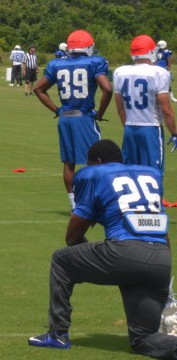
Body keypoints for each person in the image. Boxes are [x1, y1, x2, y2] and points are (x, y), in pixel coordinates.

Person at [28, 139, 177, 357]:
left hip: (125, 252)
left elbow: (72, 237)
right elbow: (159, 228)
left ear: (97, 162)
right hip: (162, 258)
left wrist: (94, 260)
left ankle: (58, 334)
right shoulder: (148, 174)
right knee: (143, 339)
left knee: (61, 260)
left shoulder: (96, 175)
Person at [33, 29, 112, 210]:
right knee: (96, 159)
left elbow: (38, 89)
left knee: (69, 162)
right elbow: (107, 88)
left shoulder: (57, 64)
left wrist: (57, 110)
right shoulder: (95, 62)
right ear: (89, 47)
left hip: (65, 118)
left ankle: (74, 203)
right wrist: (100, 113)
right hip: (83, 117)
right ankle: (94, 200)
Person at [112, 35, 177, 172]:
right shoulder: (159, 72)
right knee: (153, 174)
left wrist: (128, 126)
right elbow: (166, 110)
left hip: (129, 128)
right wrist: (174, 133)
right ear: (151, 52)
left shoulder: (120, 72)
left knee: (131, 173)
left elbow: (120, 108)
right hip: (150, 128)